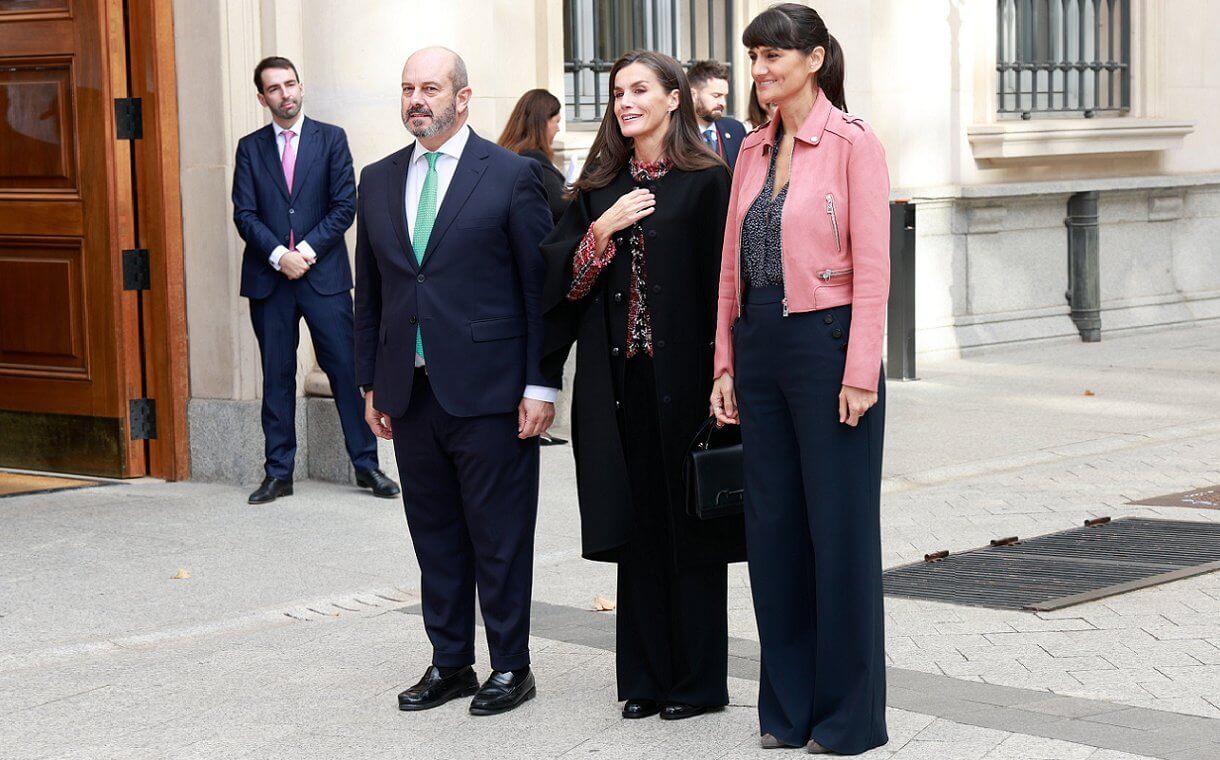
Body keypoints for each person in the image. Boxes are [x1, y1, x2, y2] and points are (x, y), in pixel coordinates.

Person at [541, 50, 744, 722]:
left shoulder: (708, 179)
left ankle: (697, 684)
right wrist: (602, 228)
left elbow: (730, 286)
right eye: (618, 92)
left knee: (689, 527)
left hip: (687, 383)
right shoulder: (599, 184)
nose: (626, 101)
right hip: (620, 384)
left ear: (673, 98)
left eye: (639, 90)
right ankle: (644, 679)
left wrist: (726, 370)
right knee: (637, 528)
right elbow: (561, 288)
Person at [709, 4, 891, 755]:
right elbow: (730, 269)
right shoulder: (751, 148)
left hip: (828, 345)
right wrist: (724, 361)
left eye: (772, 57)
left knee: (839, 533)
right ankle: (786, 711)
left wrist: (861, 371)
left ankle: (848, 720)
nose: (759, 72)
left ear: (813, 59)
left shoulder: (853, 143)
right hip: (759, 351)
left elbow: (876, 268)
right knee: (774, 532)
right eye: (752, 58)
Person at [354, 47, 555, 717]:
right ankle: (451, 663)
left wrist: (540, 385)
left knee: (498, 536)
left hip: (493, 392)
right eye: (408, 87)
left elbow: (539, 291)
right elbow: (372, 294)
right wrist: (369, 383)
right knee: (433, 534)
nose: (417, 98)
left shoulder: (510, 176)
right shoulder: (378, 179)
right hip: (409, 394)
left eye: (431, 87)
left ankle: (511, 666)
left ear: (462, 98)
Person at [232, 56, 399, 505]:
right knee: (278, 376)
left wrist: (302, 253)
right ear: (262, 97)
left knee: (347, 371)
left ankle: (367, 467)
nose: (285, 94)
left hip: (322, 276)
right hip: (270, 282)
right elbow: (243, 213)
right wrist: (278, 256)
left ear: (301, 87)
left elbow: (345, 205)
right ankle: (278, 472)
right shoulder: (250, 148)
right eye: (274, 88)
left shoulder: (331, 139)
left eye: (290, 84)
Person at [498, 88, 569, 223]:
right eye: (556, 121)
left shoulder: (509, 154)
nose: (558, 128)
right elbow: (560, 207)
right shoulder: (534, 159)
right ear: (543, 122)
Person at [687, 60, 747, 170]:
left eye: (725, 96)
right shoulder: (674, 132)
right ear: (693, 95)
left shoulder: (736, 129)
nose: (723, 103)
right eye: (716, 96)